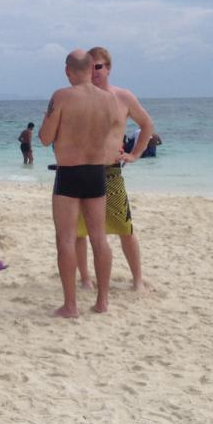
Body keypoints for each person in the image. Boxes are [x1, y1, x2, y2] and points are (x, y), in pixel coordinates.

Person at [38, 49, 122, 318]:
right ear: (90, 68)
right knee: (99, 237)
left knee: (66, 239)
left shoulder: (62, 96)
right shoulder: (109, 99)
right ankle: (102, 301)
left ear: (67, 70)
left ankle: (70, 305)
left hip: (69, 172)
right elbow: (111, 133)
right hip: (97, 172)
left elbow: (45, 138)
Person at [74, 46, 156, 291]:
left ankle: (137, 279)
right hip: (81, 169)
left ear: (108, 68)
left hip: (110, 171)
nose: (93, 71)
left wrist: (135, 154)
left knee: (124, 228)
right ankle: (85, 278)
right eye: (89, 67)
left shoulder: (123, 97)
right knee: (79, 230)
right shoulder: (76, 96)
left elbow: (147, 125)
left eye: (98, 66)